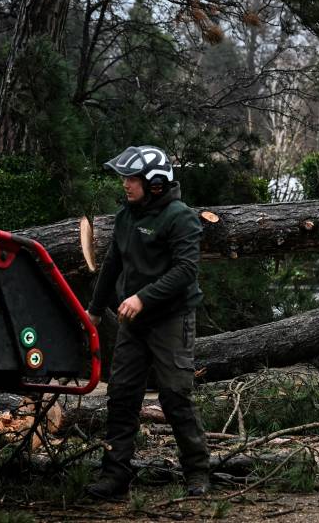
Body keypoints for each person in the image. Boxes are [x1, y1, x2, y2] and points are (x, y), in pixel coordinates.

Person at [85, 146, 210, 499]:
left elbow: (186, 271)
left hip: (171, 318)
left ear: (154, 183)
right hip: (134, 323)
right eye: (124, 178)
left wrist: (142, 297)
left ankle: (198, 472)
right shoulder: (126, 216)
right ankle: (115, 476)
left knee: (174, 396)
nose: (125, 184)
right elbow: (111, 265)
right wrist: (93, 311)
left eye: (132, 178)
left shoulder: (180, 217)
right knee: (121, 395)